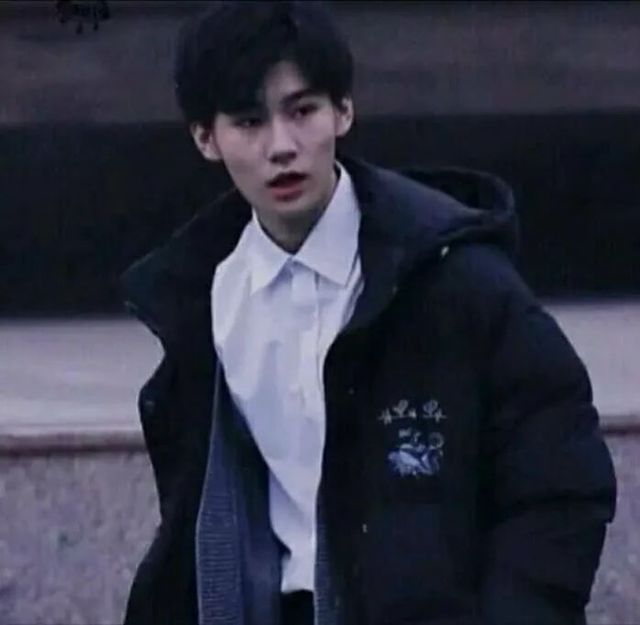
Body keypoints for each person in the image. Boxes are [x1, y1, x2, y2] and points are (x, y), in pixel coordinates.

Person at [120, 2, 616, 624]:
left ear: (343, 111)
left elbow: (561, 480)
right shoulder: (207, 300)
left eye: (302, 111)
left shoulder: (453, 279)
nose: (282, 147)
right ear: (206, 139)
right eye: (248, 122)